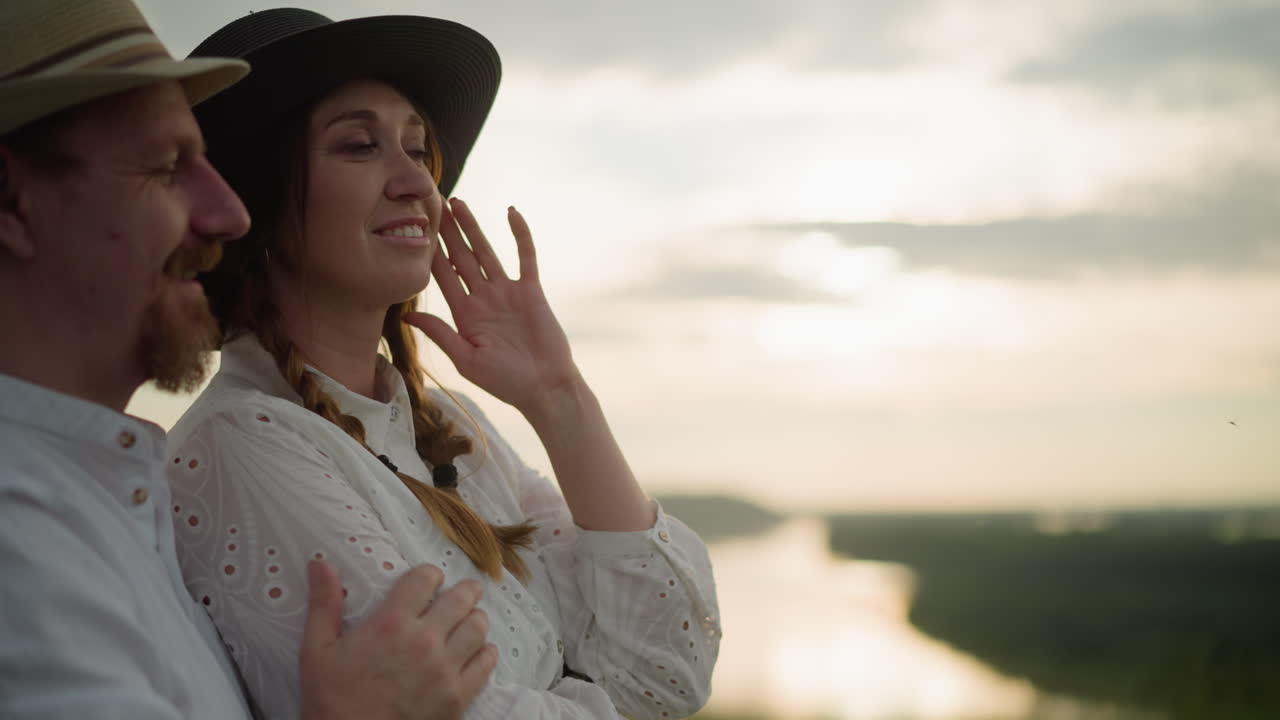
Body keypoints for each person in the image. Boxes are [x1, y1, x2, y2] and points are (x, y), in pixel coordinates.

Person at [165, 8, 722, 720]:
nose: (416, 182)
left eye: (419, 148)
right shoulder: (243, 445)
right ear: (255, 206)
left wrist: (560, 397)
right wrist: (588, 688)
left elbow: (664, 680)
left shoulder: (447, 424)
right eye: (360, 146)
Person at [0, 1, 497, 718]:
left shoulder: (103, 491)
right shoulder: (22, 538)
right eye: (166, 166)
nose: (231, 217)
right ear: (11, 200)